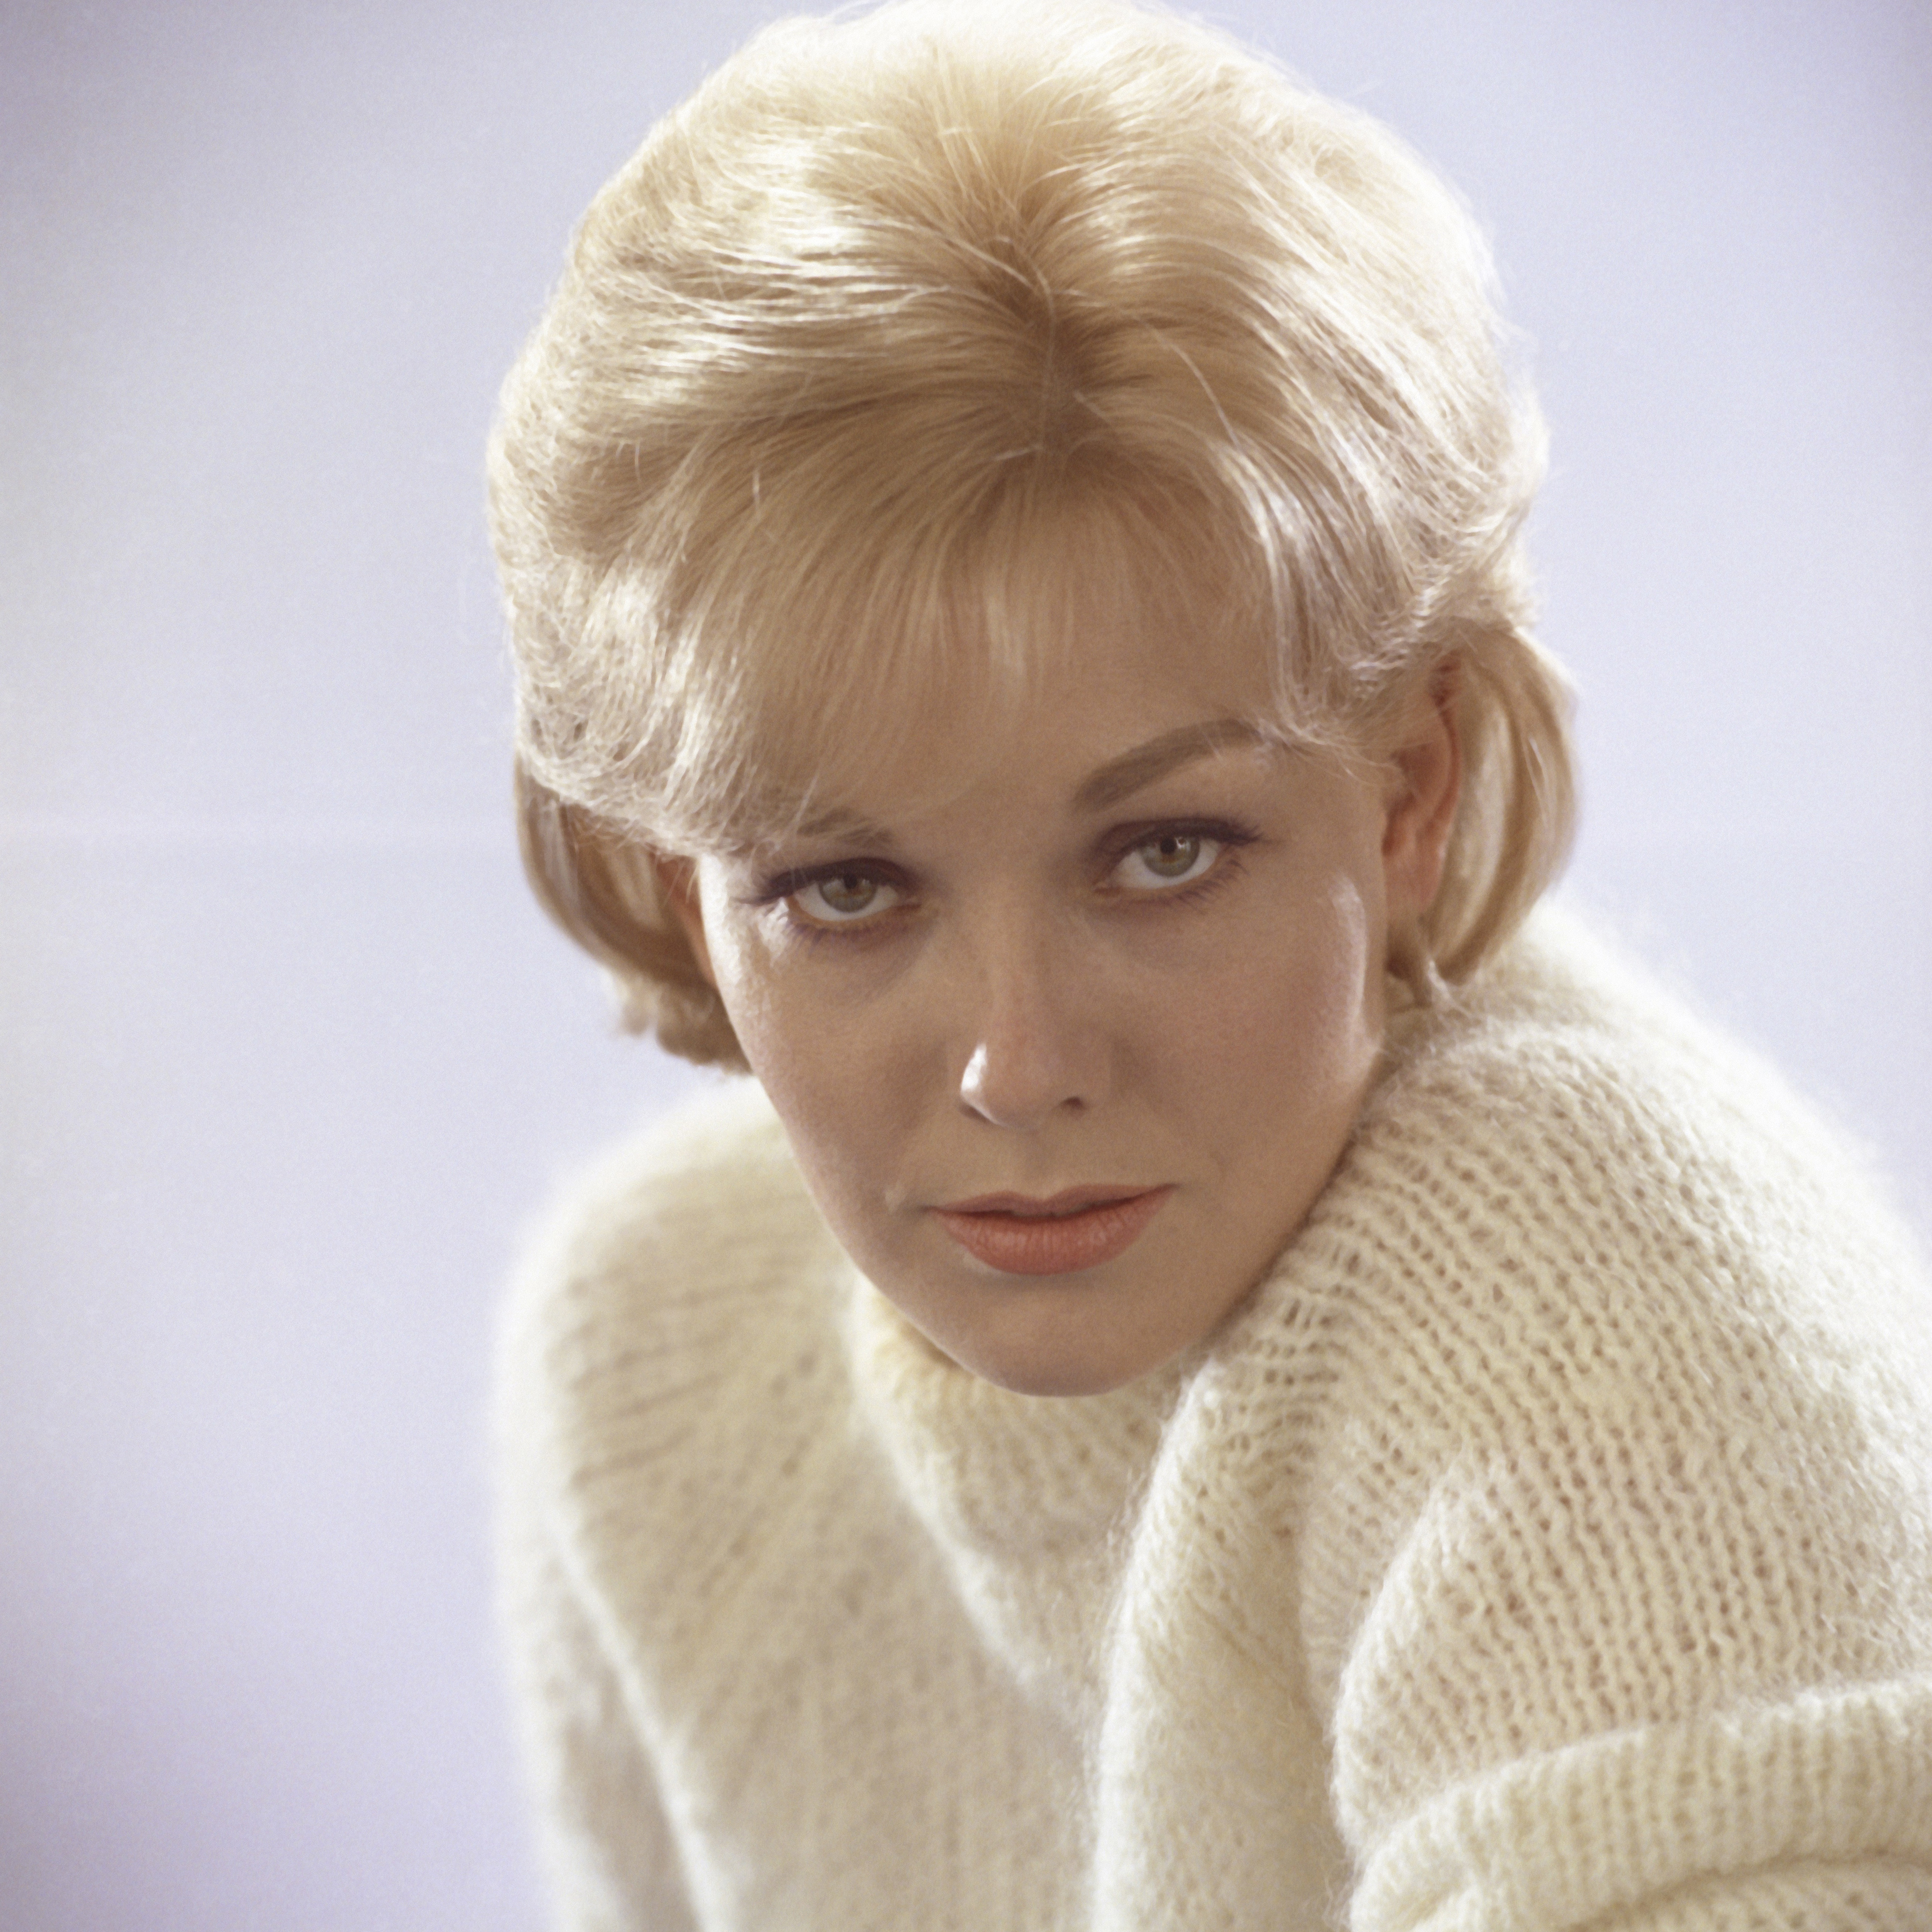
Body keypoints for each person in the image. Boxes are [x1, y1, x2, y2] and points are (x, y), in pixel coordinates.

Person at [486, 2, 1932, 1924]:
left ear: (1407, 790)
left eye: (1165, 854)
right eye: (846, 889)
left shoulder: (1600, 1315)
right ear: (679, 886)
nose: (1019, 1063)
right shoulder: (653, 1357)